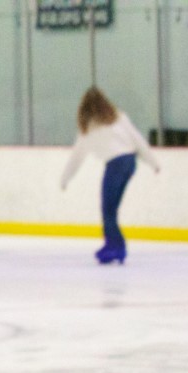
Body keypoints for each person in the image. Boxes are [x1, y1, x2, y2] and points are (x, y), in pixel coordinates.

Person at [61, 87, 161, 265]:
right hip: (130, 162)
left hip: (115, 164)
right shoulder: (118, 117)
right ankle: (112, 244)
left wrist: (65, 178)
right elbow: (137, 139)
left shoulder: (89, 127)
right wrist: (152, 162)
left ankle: (116, 246)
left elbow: (77, 157)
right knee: (111, 208)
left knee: (108, 208)